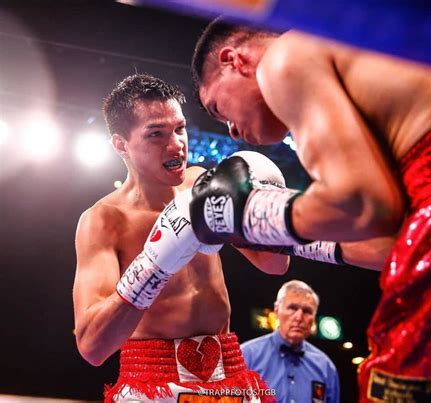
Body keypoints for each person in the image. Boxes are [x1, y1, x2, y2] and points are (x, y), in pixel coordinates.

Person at [190, 19, 431, 401]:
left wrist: (255, 216)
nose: (232, 132)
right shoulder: (363, 72)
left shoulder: (285, 58)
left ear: (233, 60)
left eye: (217, 107)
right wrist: (274, 232)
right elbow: (392, 243)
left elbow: (361, 205)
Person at [72, 73, 290, 403]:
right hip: (153, 381)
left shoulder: (200, 185)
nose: (176, 144)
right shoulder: (104, 221)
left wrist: (267, 207)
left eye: (179, 128)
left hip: (229, 373)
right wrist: (154, 263)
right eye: (156, 134)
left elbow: (276, 264)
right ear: (121, 145)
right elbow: (92, 346)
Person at [241, 280, 339, 403]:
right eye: (292, 308)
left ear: (313, 318)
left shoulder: (325, 367)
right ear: (277, 311)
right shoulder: (245, 356)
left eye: (307, 311)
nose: (299, 317)